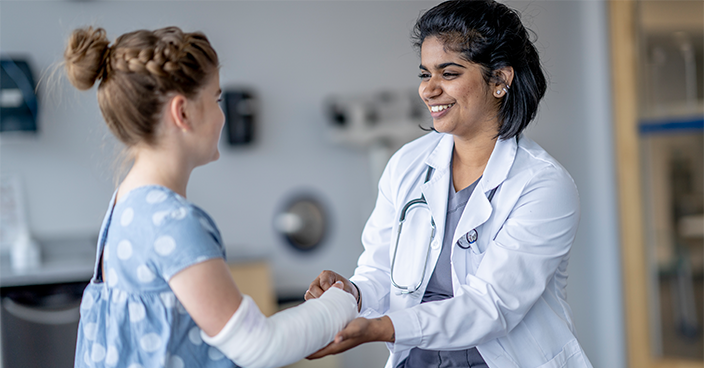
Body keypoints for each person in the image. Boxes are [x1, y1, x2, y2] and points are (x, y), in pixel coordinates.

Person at [305, 1, 594, 367]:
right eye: (425, 74)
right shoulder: (407, 165)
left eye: (449, 73)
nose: (428, 90)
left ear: (500, 80)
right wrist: (352, 292)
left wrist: (381, 328)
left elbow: (489, 308)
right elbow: (380, 272)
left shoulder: (543, 185)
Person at [65, 26, 358, 368]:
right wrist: (343, 301)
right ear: (183, 112)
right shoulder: (172, 223)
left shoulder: (125, 205)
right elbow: (260, 346)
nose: (221, 115)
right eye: (216, 99)